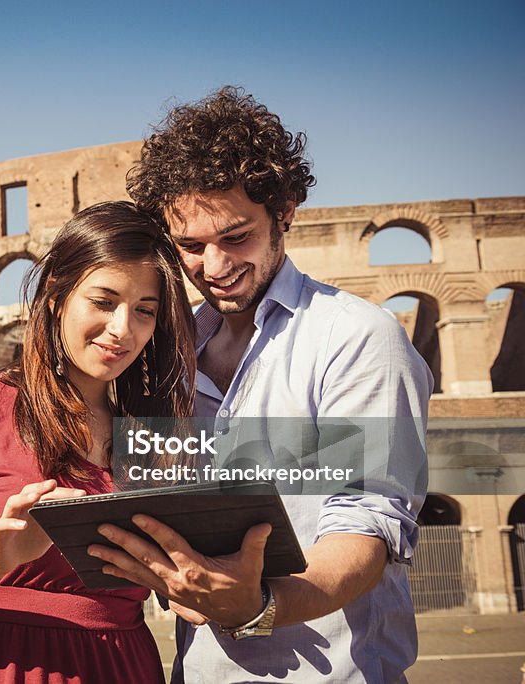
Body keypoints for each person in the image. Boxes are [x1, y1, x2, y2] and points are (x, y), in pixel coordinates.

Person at [86, 86, 432, 683]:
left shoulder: (355, 339)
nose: (214, 267)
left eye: (237, 236)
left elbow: (366, 521)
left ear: (286, 210)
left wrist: (259, 607)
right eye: (190, 246)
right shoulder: (171, 346)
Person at [0, 201, 196, 682]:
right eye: (103, 301)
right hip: (5, 667)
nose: (123, 329)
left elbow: (185, 597)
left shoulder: (154, 435)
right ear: (56, 295)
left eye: (144, 311)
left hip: (125, 666)